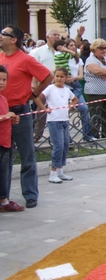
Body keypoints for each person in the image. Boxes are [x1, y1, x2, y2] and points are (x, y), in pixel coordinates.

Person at [0, 25, 53, 209]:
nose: (0, 36)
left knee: (26, 154)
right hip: (2, 114)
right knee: (3, 157)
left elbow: (48, 76)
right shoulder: (0, 58)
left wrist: (34, 93)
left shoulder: (25, 59)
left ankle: (30, 194)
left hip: (20, 111)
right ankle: (3, 197)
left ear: (13, 39)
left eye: (3, 34)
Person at [35, 67, 78, 183]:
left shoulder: (67, 90)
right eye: (57, 76)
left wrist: (71, 105)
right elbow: (38, 98)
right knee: (58, 146)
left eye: (62, 76)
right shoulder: (50, 88)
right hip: (54, 121)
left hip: (64, 120)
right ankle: (53, 172)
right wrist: (44, 109)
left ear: (66, 78)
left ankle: (60, 170)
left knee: (64, 145)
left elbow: (75, 99)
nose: (59, 78)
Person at [84, 39, 106, 139]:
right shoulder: (90, 60)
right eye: (100, 48)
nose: (103, 50)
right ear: (94, 49)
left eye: (104, 48)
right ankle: (94, 135)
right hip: (95, 92)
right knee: (96, 114)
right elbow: (97, 70)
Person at [30, 28, 60, 142]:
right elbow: (31, 69)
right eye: (54, 35)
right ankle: (37, 135)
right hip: (42, 86)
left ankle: (57, 135)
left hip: (57, 86)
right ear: (47, 37)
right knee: (41, 111)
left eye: (58, 35)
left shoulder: (61, 51)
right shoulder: (37, 52)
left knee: (57, 110)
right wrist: (33, 83)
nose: (57, 37)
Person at [0, 65, 23, 212]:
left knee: (4, 171)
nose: (1, 82)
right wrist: (5, 116)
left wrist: (11, 119)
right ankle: (3, 200)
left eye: (4, 79)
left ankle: (3, 198)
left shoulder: (3, 98)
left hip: (5, 141)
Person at [64, 38, 95, 141]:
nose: (73, 47)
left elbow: (81, 76)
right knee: (64, 112)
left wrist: (73, 78)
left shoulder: (78, 59)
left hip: (75, 86)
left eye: (74, 45)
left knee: (84, 108)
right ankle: (66, 137)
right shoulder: (62, 57)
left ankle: (87, 135)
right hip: (64, 87)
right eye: (71, 45)